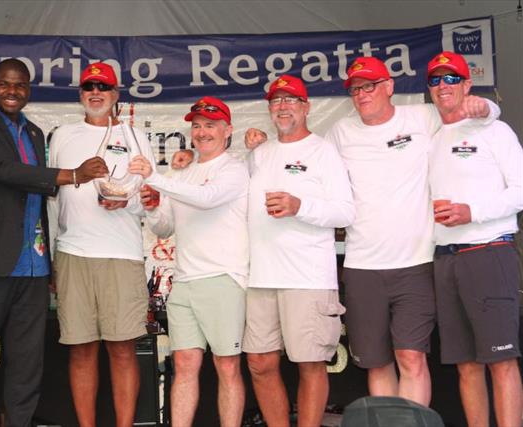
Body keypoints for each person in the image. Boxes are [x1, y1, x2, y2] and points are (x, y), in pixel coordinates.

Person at [325, 55, 499, 406]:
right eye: (356, 89)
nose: (362, 94)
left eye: (369, 86)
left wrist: (489, 108)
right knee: (376, 363)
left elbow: (471, 112)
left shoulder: (421, 116)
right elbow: (309, 159)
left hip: (416, 263)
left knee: (412, 357)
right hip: (362, 266)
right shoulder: (340, 132)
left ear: (389, 87)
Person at [0, 58, 107, 427]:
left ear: (28, 91)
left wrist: (47, 263)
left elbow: (37, 202)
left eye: (19, 85)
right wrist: (72, 175)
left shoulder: (35, 133)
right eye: (5, 84)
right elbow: (5, 171)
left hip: (32, 268)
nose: (12, 91)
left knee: (26, 366)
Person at [47, 62, 155, 427]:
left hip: (121, 254)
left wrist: (128, 201)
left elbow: (153, 197)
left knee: (123, 349)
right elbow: (51, 198)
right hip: (73, 253)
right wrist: (50, 258)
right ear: (81, 94)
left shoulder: (136, 137)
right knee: (80, 349)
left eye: (103, 88)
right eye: (89, 87)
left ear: (115, 95)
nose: (96, 93)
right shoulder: (62, 134)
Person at [131, 96, 249, 427]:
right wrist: (154, 205)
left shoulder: (234, 169)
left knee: (227, 366)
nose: (202, 132)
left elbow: (208, 199)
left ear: (228, 131)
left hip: (223, 278)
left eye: (210, 125)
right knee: (183, 363)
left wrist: (155, 177)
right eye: (197, 125)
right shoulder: (182, 173)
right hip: (183, 281)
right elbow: (164, 227)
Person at [244, 75, 353, 427]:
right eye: (276, 101)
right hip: (260, 276)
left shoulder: (323, 151)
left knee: (310, 363)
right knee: (259, 363)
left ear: (306, 107)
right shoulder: (259, 154)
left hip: (307, 277)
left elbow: (345, 212)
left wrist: (299, 205)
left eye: (291, 100)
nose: (282, 106)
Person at [426, 51, 523, 427]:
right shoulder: (433, 138)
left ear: (468, 85)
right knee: (465, 365)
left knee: (500, 360)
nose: (443, 86)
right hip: (446, 258)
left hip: (489, 250)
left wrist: (473, 211)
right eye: (435, 80)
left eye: (452, 79)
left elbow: (521, 189)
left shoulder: (494, 130)